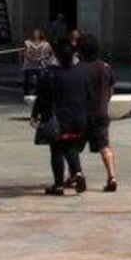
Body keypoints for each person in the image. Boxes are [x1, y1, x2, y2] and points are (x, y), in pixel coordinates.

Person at [35, 42, 96, 195]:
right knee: (71, 147)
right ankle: (78, 173)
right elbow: (90, 96)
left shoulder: (52, 75)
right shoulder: (82, 73)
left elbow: (43, 97)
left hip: (59, 119)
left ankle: (58, 184)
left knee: (56, 150)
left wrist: (36, 114)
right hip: (79, 118)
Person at [75, 32, 120, 192]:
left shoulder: (78, 69)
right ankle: (112, 176)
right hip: (101, 113)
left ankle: (77, 174)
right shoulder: (105, 67)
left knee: (73, 147)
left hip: (81, 114)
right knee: (104, 146)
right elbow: (111, 90)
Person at [20, 28, 53, 119]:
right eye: (34, 33)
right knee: (29, 83)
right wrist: (32, 59)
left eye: (37, 33)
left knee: (41, 84)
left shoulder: (46, 44)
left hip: (41, 66)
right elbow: (25, 53)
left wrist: (42, 58)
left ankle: (40, 104)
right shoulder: (27, 42)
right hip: (29, 66)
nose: (36, 34)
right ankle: (30, 100)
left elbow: (50, 54)